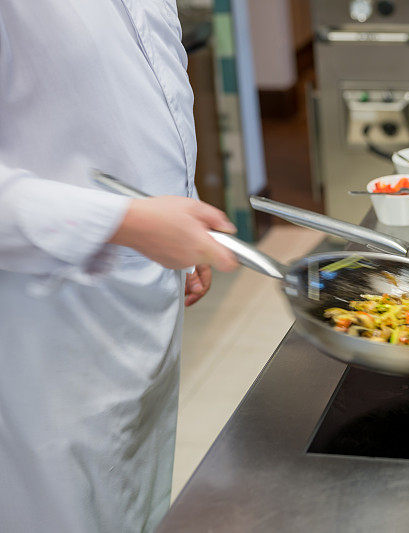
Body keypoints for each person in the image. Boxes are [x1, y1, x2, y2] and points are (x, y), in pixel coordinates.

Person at [0, 2, 238, 531]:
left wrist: (182, 200)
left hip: (142, 299)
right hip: (44, 328)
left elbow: (153, 89)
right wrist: (123, 223)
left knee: (142, 504)